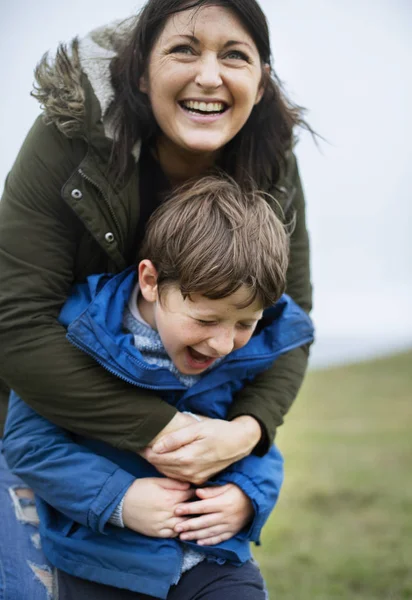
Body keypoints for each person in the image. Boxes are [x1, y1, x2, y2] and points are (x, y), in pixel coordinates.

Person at [0, 0, 312, 594]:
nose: (210, 76)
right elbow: (16, 324)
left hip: (184, 460)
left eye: (235, 56)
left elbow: (289, 320)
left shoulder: (270, 157)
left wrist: (244, 433)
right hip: (37, 413)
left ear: (261, 78)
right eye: (184, 49)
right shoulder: (67, 140)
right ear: (141, 71)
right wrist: (166, 433)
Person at [4, 175, 314, 599]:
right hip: (103, 561)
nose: (223, 344)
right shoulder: (75, 334)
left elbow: (253, 442)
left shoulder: (247, 351)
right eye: (205, 321)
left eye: (245, 323)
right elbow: (29, 444)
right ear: (150, 281)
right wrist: (119, 499)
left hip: (213, 558)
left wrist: (247, 497)